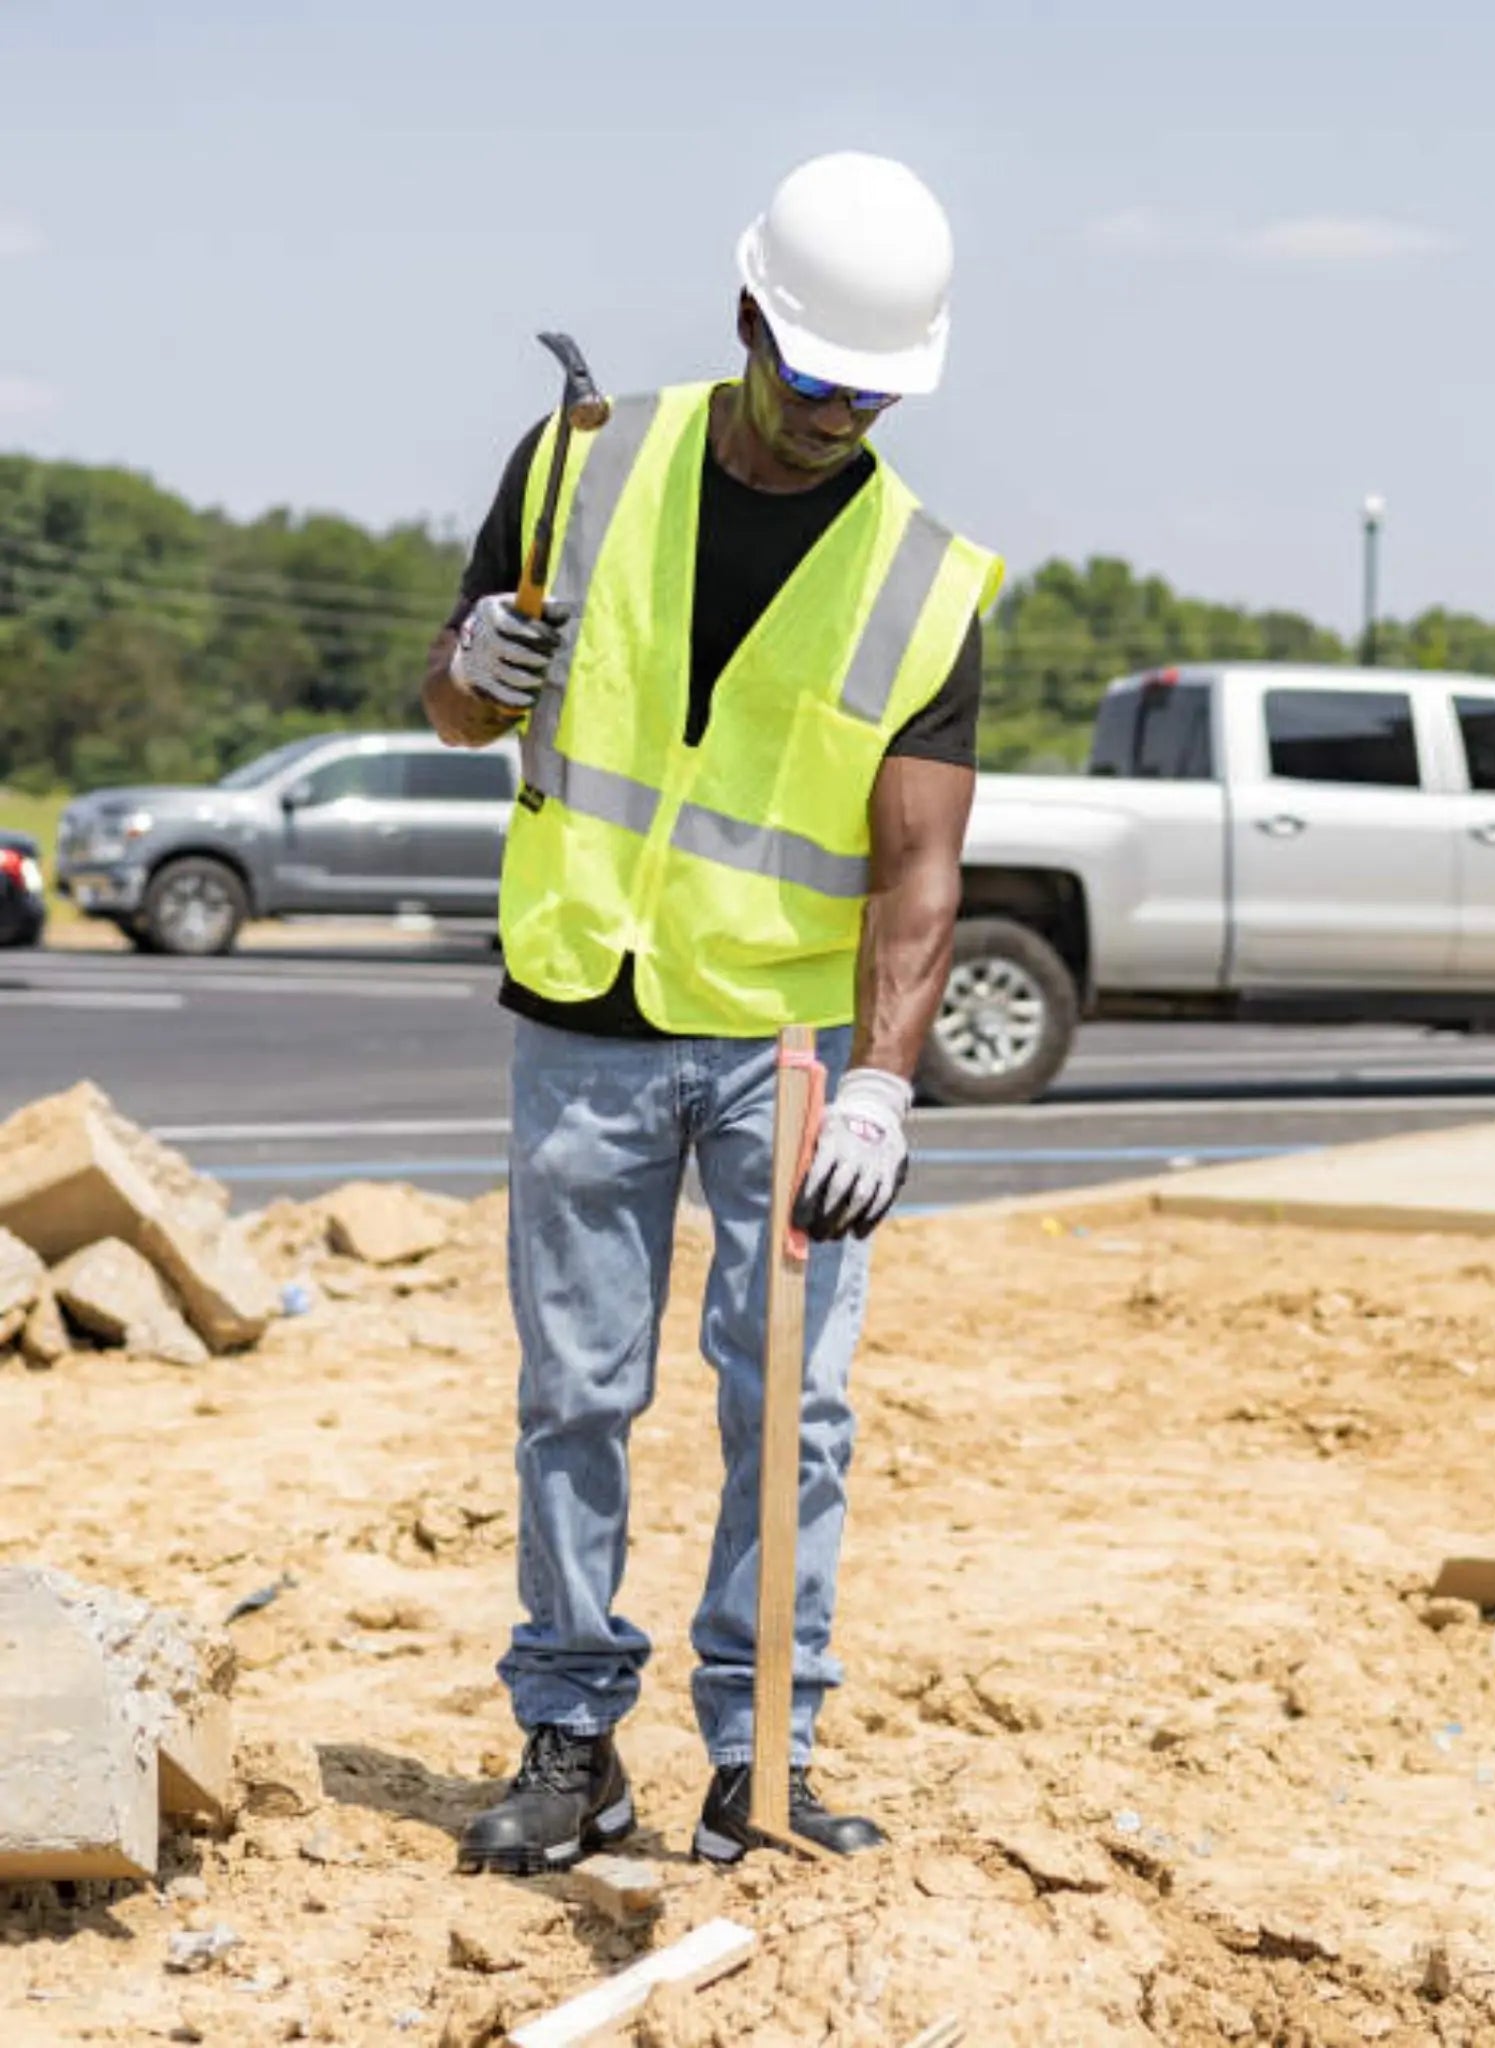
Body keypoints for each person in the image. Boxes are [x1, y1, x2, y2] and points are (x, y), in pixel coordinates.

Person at [419, 151, 1000, 1873]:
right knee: (577, 1394)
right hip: (582, 1006)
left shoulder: (925, 576)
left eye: (875, 392)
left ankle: (766, 1761)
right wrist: (475, 671)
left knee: (791, 1408)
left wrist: (889, 1090)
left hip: (791, 1053)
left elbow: (922, 869)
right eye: (816, 378)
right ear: (751, 318)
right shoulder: (584, 464)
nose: (838, 417)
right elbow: (454, 705)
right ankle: (571, 1739)